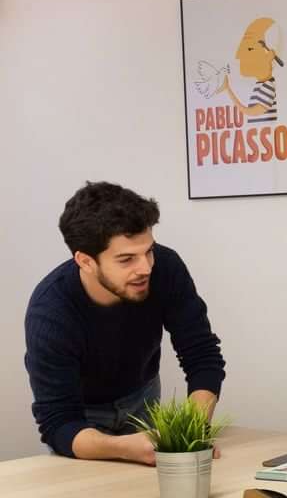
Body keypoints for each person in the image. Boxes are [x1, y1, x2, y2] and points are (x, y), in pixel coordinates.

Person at [25, 182, 225, 465]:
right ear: (85, 261)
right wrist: (122, 447)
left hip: (143, 396)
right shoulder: (51, 313)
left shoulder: (165, 268)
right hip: (83, 420)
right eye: (126, 259)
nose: (145, 268)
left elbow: (202, 355)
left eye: (148, 251)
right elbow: (59, 423)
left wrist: (189, 433)